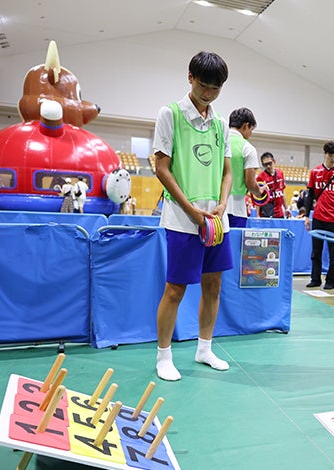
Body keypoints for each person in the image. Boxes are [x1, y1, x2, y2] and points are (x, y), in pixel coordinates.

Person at [152, 50, 233, 381]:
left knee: (213, 285)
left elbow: (228, 172)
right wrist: (190, 210)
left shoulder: (221, 124)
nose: (209, 93)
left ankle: (204, 349)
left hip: (215, 220)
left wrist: (223, 204)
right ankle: (163, 356)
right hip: (182, 219)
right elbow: (160, 166)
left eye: (216, 88)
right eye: (203, 85)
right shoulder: (169, 114)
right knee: (175, 289)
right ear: (190, 78)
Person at [304, 141, 334, 290]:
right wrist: (306, 216)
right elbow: (310, 195)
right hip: (318, 217)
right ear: (325, 153)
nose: (333, 159)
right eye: (331, 155)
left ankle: (331, 282)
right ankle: (315, 279)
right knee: (316, 251)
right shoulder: (315, 172)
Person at [226, 107, 265, 228]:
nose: (251, 133)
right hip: (236, 208)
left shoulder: (217, 142)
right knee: (235, 246)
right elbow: (250, 183)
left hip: (213, 206)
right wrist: (259, 192)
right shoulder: (247, 148)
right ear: (246, 126)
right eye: (251, 129)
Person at [257, 152, 288, 218]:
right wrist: (257, 215)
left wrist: (286, 208)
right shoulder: (260, 177)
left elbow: (283, 192)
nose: (268, 166)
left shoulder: (280, 173)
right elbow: (258, 197)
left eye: (269, 163)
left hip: (279, 213)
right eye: (265, 164)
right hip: (267, 213)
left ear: (274, 161)